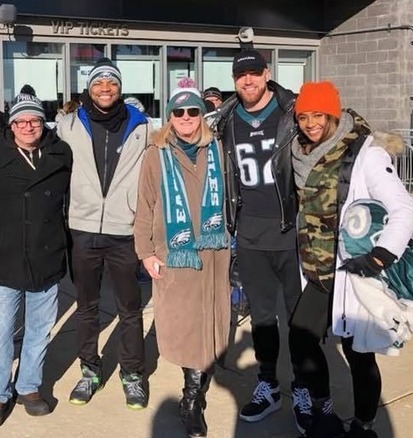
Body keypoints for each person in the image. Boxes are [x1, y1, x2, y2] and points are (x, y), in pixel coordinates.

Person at [290, 81, 413, 437]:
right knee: (301, 338)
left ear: (333, 113)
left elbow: (403, 210)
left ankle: (364, 426)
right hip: (317, 272)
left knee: (358, 353)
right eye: (303, 116)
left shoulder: (367, 153)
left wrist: (380, 256)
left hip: (354, 271)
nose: (310, 123)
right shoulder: (299, 151)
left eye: (318, 115)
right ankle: (325, 413)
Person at [215, 49, 314, 431]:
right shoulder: (224, 119)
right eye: (241, 76)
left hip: (291, 231)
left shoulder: (293, 110)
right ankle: (269, 384)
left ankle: (304, 388)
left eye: (255, 74)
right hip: (251, 233)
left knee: (299, 319)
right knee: (261, 318)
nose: (248, 81)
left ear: (267, 73)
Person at [135, 88, 230, 437]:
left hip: (214, 251)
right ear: (170, 117)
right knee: (187, 327)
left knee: (210, 323)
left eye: (193, 112)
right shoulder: (155, 155)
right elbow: (144, 207)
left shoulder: (217, 149)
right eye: (179, 113)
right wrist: (145, 252)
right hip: (175, 253)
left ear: (202, 114)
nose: (186, 118)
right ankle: (191, 399)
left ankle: (195, 387)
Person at [56, 57, 151, 409]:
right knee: (87, 308)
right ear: (89, 88)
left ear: (120, 87)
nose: (105, 87)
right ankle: (89, 371)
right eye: (98, 82)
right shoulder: (68, 125)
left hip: (123, 230)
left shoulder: (142, 126)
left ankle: (133, 376)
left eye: (111, 81)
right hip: (82, 230)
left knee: (130, 308)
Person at [0, 93, 73, 427]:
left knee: (39, 330)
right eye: (21, 121)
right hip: (5, 258)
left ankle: (29, 386)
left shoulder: (61, 153)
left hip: (46, 255)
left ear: (42, 122)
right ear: (11, 125)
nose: (28, 126)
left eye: (34, 120)